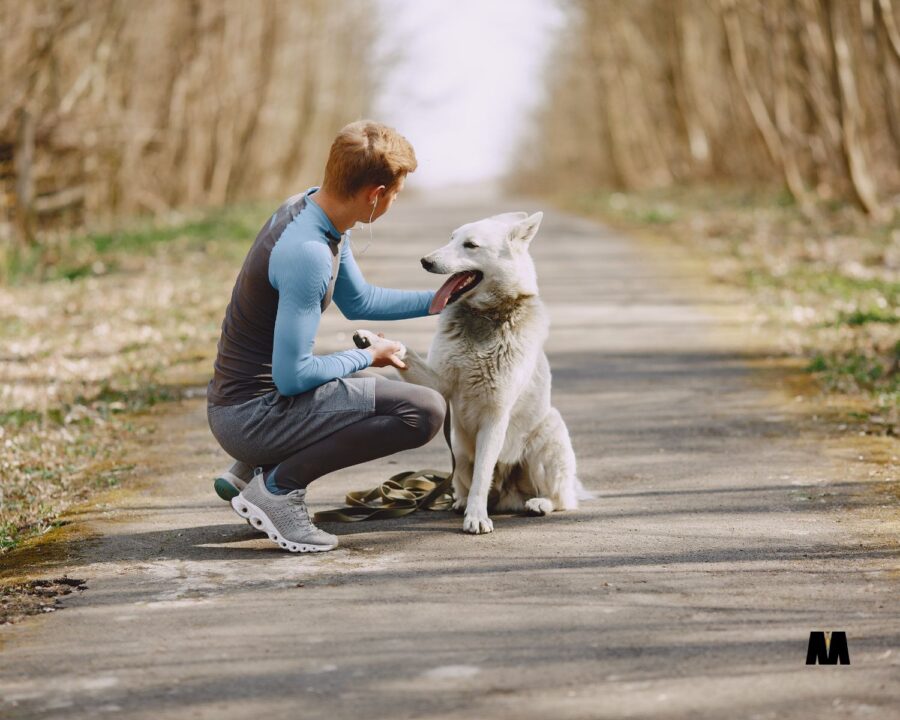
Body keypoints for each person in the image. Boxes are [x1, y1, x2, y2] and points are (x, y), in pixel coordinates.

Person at [206, 120, 445, 553]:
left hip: (239, 402)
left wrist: (440, 300)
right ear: (375, 193)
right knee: (423, 410)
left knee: (383, 391)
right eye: (395, 194)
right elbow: (293, 377)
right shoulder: (309, 254)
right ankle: (277, 489)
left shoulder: (313, 209)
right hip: (250, 416)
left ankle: (247, 471)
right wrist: (368, 356)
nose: (394, 201)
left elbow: (361, 302)